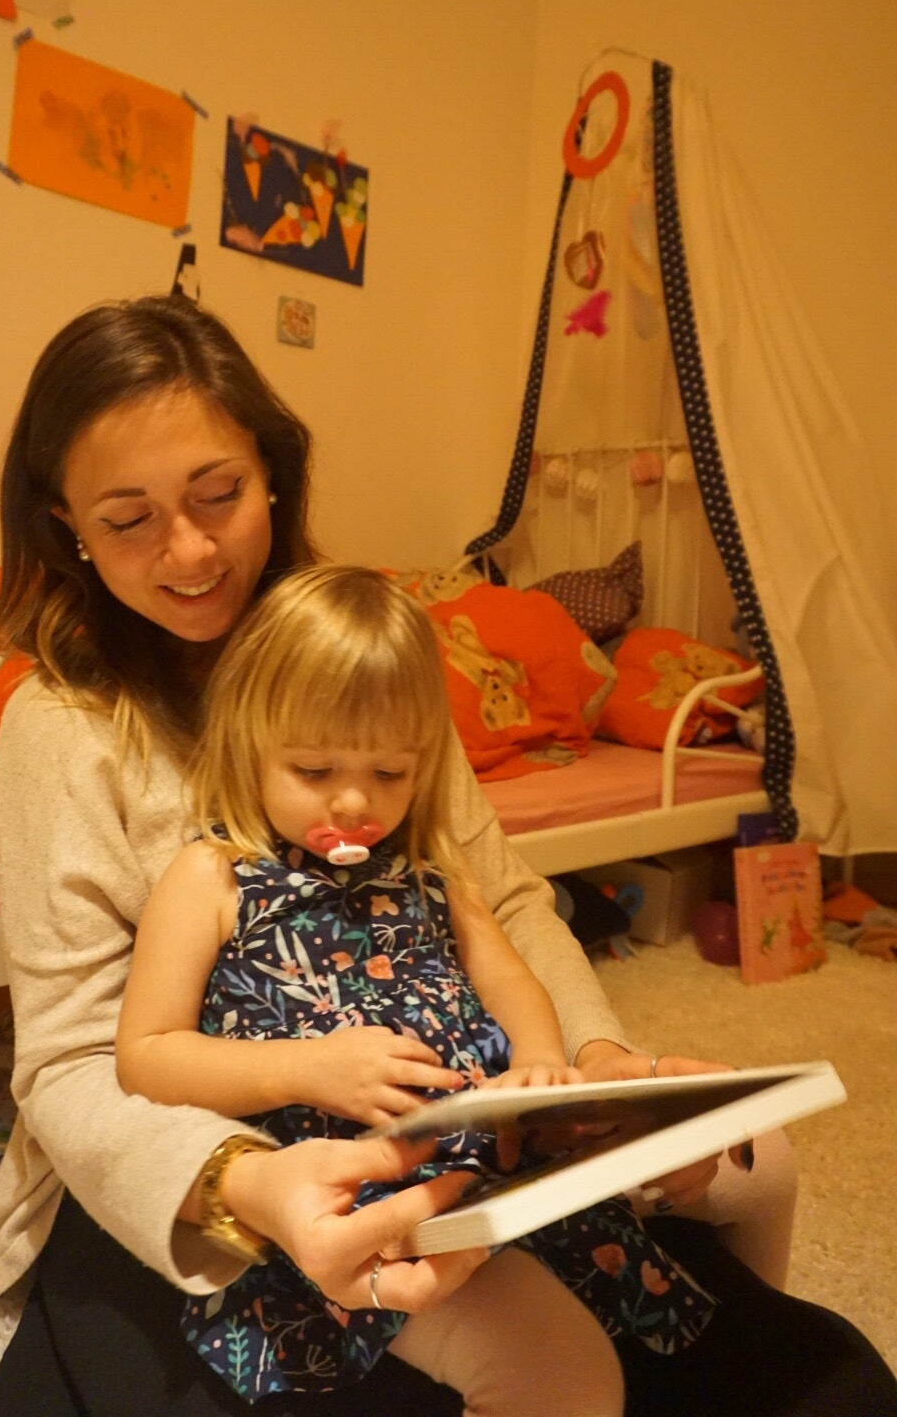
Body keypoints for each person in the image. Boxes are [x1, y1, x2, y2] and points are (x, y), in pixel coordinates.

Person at [0, 293, 897, 1417]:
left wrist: (590, 1063)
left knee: (823, 1373)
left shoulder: (368, 660)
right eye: (127, 519)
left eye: (219, 494)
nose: (192, 548)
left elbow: (500, 902)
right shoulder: (61, 728)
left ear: (272, 470)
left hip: (444, 1141)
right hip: (204, 1164)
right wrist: (253, 1183)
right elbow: (78, 1064)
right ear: (64, 521)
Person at [115, 563, 723, 1410]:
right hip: (357, 1205)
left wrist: (543, 1063)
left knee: (731, 1208)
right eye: (314, 770)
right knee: (565, 1375)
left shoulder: (433, 870)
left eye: (390, 774)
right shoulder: (212, 877)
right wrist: (305, 1069)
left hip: (496, 1165)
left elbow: (510, 974)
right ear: (246, 743)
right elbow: (146, 1057)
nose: (356, 801)